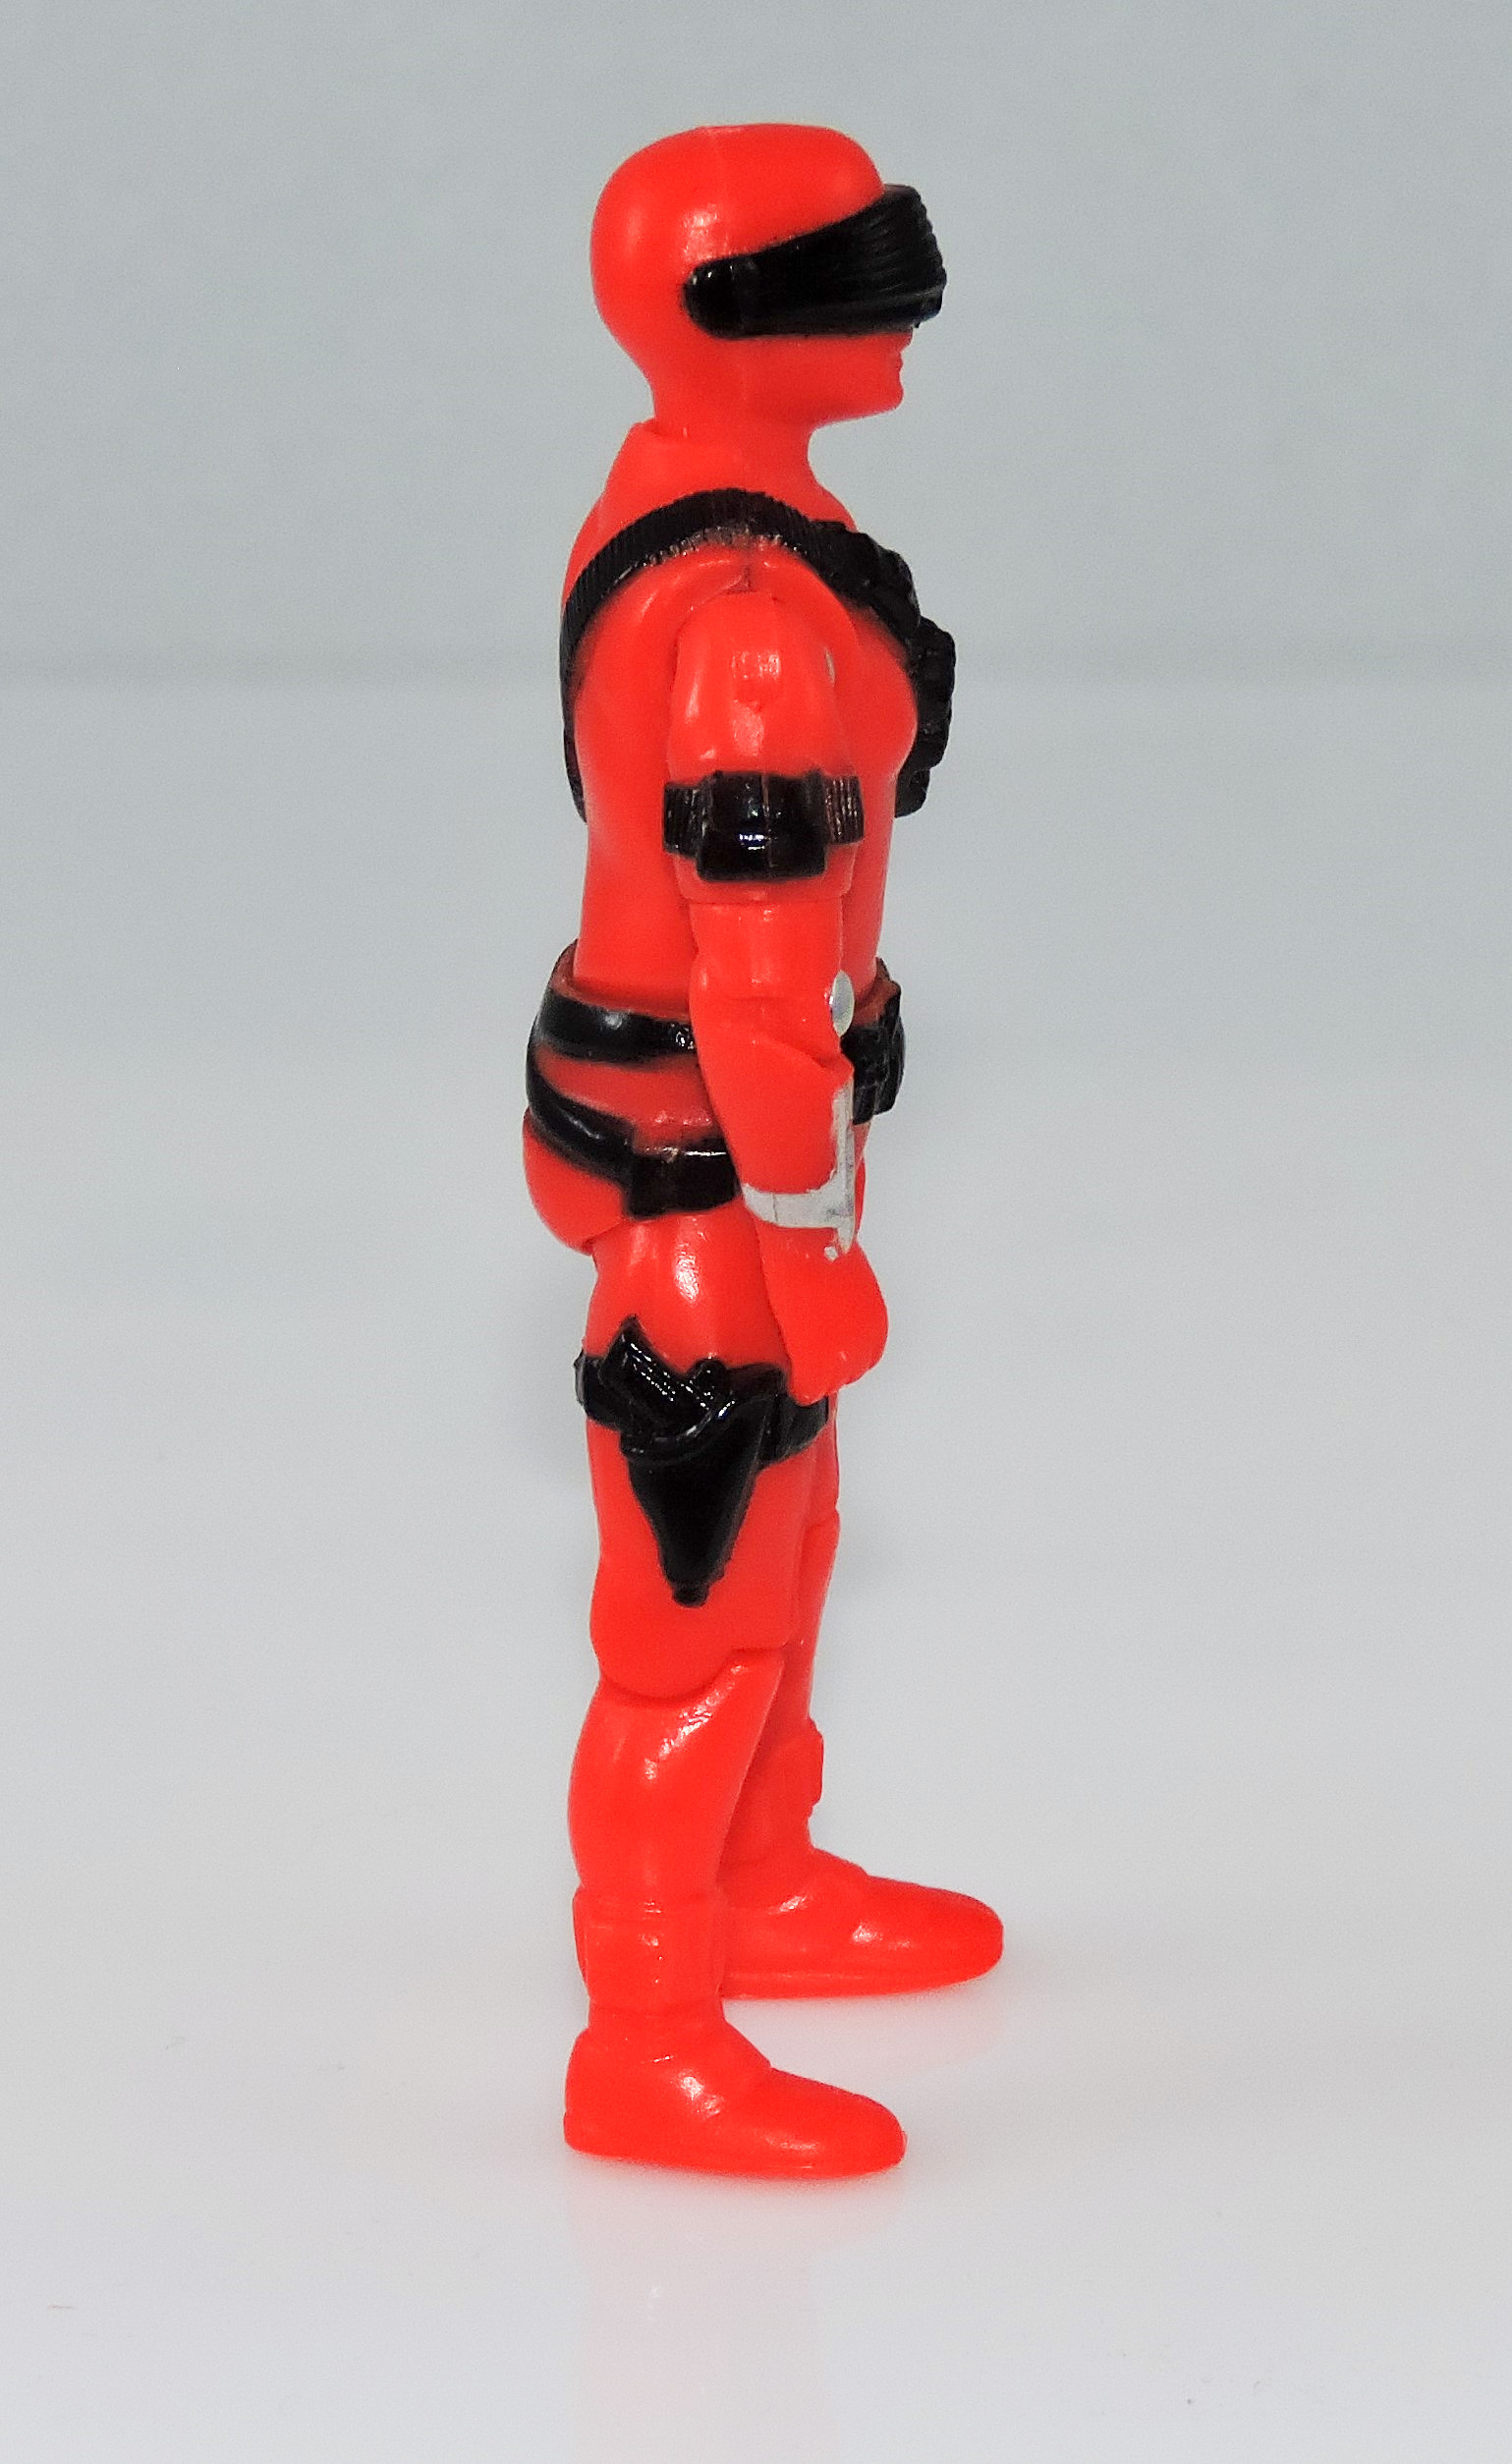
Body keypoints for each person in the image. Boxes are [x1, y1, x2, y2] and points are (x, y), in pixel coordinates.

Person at [525, 124, 1001, 2177]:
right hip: (714, 1175)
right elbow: (757, 960)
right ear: (734, 316)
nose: (900, 312)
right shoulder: (742, 607)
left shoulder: (716, 513)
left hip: (735, 1151)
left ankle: (759, 1881)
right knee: (696, 1613)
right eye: (849, 276)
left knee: (788, 1551)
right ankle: (645, 2034)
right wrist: (807, 1236)